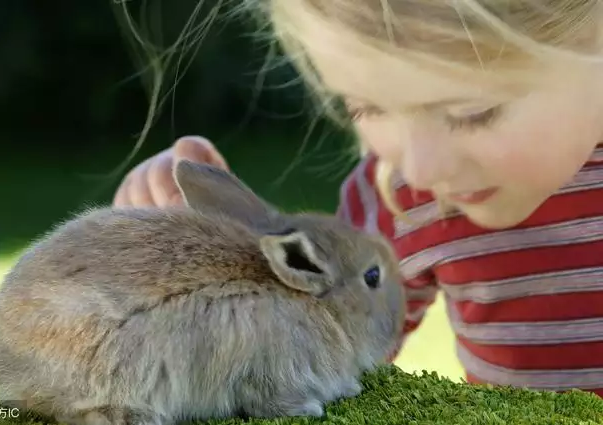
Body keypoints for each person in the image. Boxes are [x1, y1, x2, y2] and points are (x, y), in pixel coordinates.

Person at [113, 1, 603, 398]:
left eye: (472, 113)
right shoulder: (394, 202)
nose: (421, 170)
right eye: (366, 107)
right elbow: (330, 350)